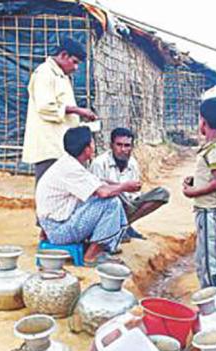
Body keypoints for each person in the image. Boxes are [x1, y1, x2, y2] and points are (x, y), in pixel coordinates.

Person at [35, 126, 140, 266]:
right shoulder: (71, 168)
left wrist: (120, 186)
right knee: (111, 202)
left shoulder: (69, 163)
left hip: (52, 226)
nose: (94, 146)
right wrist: (124, 187)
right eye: (92, 143)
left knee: (104, 197)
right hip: (58, 231)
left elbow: (97, 183)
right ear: (86, 149)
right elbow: (103, 192)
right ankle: (92, 255)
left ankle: (100, 245)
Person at [22, 37, 97, 183]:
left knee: (61, 189)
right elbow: (45, 107)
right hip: (48, 146)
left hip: (61, 145)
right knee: (47, 188)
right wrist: (78, 111)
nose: (76, 68)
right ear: (63, 55)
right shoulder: (44, 73)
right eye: (74, 62)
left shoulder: (61, 75)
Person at [183, 97, 216, 303]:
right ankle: (213, 304)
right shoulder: (212, 148)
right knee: (203, 259)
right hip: (206, 211)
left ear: (203, 122)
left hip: (210, 211)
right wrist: (195, 181)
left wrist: (193, 192)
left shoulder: (215, 150)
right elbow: (214, 177)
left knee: (212, 262)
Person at [90, 127, 170, 241]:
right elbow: (98, 192)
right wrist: (121, 187)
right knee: (114, 194)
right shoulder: (99, 163)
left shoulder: (133, 163)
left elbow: (134, 193)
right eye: (119, 145)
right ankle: (113, 230)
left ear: (132, 147)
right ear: (111, 145)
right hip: (107, 206)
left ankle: (124, 226)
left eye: (127, 145)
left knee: (162, 194)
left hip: (128, 203)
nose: (123, 149)